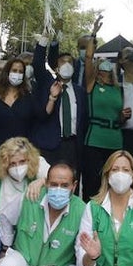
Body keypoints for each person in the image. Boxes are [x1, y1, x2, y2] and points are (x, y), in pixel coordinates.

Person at [30, 39, 89, 170]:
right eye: (63, 62)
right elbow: (38, 64)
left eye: (70, 62)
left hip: (73, 146)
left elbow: (84, 120)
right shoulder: (48, 83)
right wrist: (44, 41)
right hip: (50, 145)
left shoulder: (80, 92)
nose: (67, 65)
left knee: (70, 182)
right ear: (56, 68)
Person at [0, 136, 49, 247]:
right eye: (13, 163)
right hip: (0, 234)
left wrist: (41, 181)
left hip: (31, 234)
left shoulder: (38, 163)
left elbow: (56, 178)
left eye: (22, 161)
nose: (18, 168)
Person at [83, 36, 127, 199]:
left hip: (115, 140)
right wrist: (93, 37)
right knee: (92, 183)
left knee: (114, 182)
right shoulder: (91, 85)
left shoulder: (118, 89)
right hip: (95, 140)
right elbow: (88, 58)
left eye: (107, 63)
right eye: (101, 62)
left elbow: (120, 118)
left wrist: (123, 116)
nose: (105, 64)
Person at [0, 56, 33, 165]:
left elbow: (40, 118)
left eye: (21, 72)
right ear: (7, 72)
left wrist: (52, 98)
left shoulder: (28, 99)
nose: (17, 74)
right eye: (14, 70)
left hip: (20, 158)